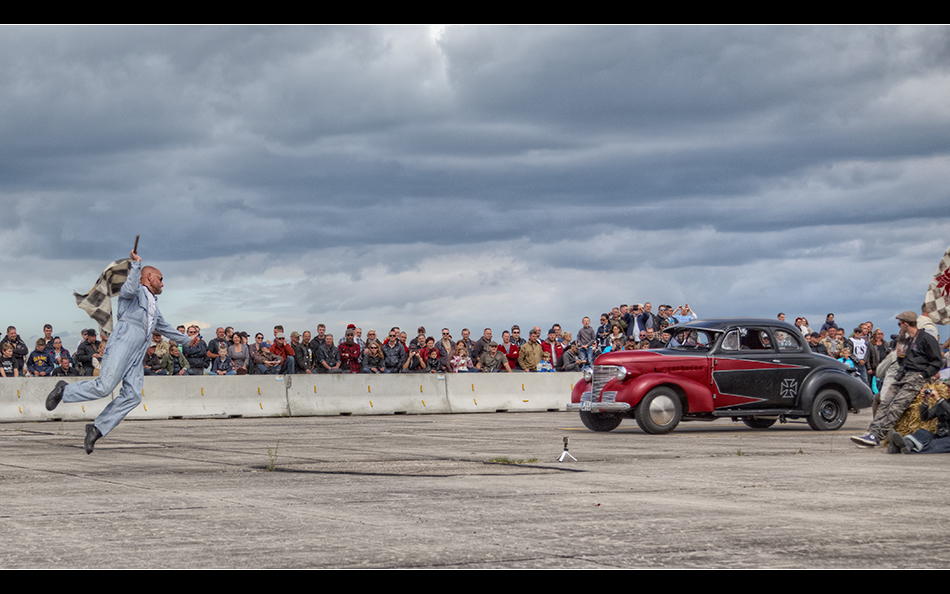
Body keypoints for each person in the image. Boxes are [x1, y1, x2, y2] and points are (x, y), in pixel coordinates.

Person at [45, 250, 199, 454]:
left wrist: (188, 340)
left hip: (137, 354)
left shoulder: (154, 303)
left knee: (134, 396)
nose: (163, 283)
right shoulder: (134, 292)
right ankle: (64, 390)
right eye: (160, 279)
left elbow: (164, 327)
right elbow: (128, 290)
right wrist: (136, 266)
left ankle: (97, 428)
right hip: (122, 344)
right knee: (104, 387)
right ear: (149, 277)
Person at [851, 311, 943, 449]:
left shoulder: (926, 338)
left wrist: (924, 374)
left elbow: (937, 361)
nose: (899, 326)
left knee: (896, 407)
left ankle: (878, 436)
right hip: (902, 374)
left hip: (916, 377)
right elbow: (903, 362)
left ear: (906, 324)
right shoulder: (908, 340)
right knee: (884, 403)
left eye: (900, 324)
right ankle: (872, 433)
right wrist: (900, 357)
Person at [888, 389, 950, 454]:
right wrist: (925, 402)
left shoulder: (942, 402)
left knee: (933, 444)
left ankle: (900, 449)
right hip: (941, 435)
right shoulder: (944, 403)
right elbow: (925, 417)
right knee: (922, 433)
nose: (948, 389)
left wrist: (939, 400)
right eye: (948, 386)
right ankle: (906, 444)